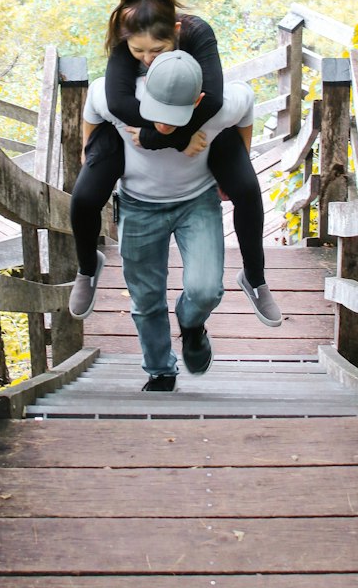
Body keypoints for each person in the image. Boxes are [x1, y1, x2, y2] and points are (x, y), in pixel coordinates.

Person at [68, 0, 282, 327]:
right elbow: (116, 103)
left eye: (157, 50)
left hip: (195, 110)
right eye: (139, 52)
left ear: (177, 32)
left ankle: (255, 278)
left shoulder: (197, 34)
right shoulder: (130, 42)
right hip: (138, 119)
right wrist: (94, 151)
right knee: (84, 196)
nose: (148, 59)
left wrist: (233, 162)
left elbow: (214, 99)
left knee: (246, 189)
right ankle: (87, 269)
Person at [80, 49, 254, 390]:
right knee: (145, 298)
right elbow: (92, 104)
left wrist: (237, 168)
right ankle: (160, 370)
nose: (165, 123)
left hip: (198, 201)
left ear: (199, 100)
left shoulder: (217, 106)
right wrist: (91, 158)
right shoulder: (117, 97)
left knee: (206, 290)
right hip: (138, 204)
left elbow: (246, 102)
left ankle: (191, 325)